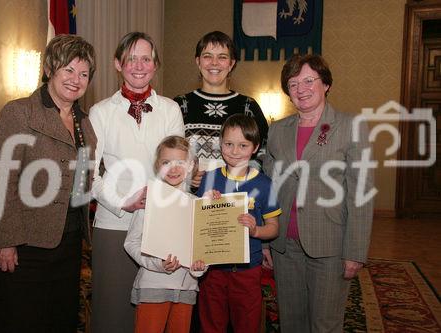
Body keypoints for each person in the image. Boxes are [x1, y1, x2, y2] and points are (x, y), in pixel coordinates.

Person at [0, 34, 97, 333]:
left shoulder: (85, 123)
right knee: (20, 317)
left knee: (58, 318)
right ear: (49, 69)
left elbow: (84, 180)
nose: (76, 79)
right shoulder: (19, 112)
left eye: (83, 73)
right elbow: (2, 179)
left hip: (69, 241)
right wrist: (5, 240)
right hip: (25, 242)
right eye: (68, 70)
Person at [263, 54, 374, 332]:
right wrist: (264, 241)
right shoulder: (277, 130)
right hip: (285, 246)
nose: (301, 89)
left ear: (326, 84)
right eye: (293, 83)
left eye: (309, 80)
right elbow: (268, 187)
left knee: (325, 324)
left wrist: (356, 251)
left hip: (330, 246)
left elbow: (360, 193)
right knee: (291, 322)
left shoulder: (351, 126)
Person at [89, 32, 185, 333]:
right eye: (132, 58)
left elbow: (177, 168)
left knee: (156, 315)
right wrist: (123, 203)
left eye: (146, 58)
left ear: (155, 65)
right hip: (114, 224)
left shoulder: (170, 109)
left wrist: (160, 210)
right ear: (118, 64)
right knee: (112, 312)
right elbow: (87, 176)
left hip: (160, 224)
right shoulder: (100, 111)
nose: (139, 65)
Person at [196, 114, 281, 333]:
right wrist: (205, 204)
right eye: (229, 144)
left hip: (247, 269)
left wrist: (255, 229)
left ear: (255, 147)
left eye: (243, 145)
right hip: (212, 269)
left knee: (247, 323)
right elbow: (196, 221)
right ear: (220, 143)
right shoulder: (210, 178)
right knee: (211, 323)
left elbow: (273, 228)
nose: (235, 151)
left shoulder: (265, 183)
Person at [124, 135, 207, 333]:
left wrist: (199, 268)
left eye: (180, 162)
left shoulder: (197, 204)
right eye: (166, 162)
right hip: (153, 286)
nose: (174, 168)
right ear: (157, 165)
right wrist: (157, 264)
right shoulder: (149, 200)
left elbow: (203, 247)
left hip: (186, 288)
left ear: (190, 166)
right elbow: (131, 242)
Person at [174, 31, 269, 174]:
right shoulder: (180, 104)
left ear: (231, 64)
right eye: (207, 56)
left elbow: (265, 151)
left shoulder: (248, 106)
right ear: (198, 62)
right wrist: (188, 175)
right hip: (190, 194)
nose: (214, 63)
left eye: (222, 57)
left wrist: (243, 175)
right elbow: (169, 152)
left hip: (236, 193)